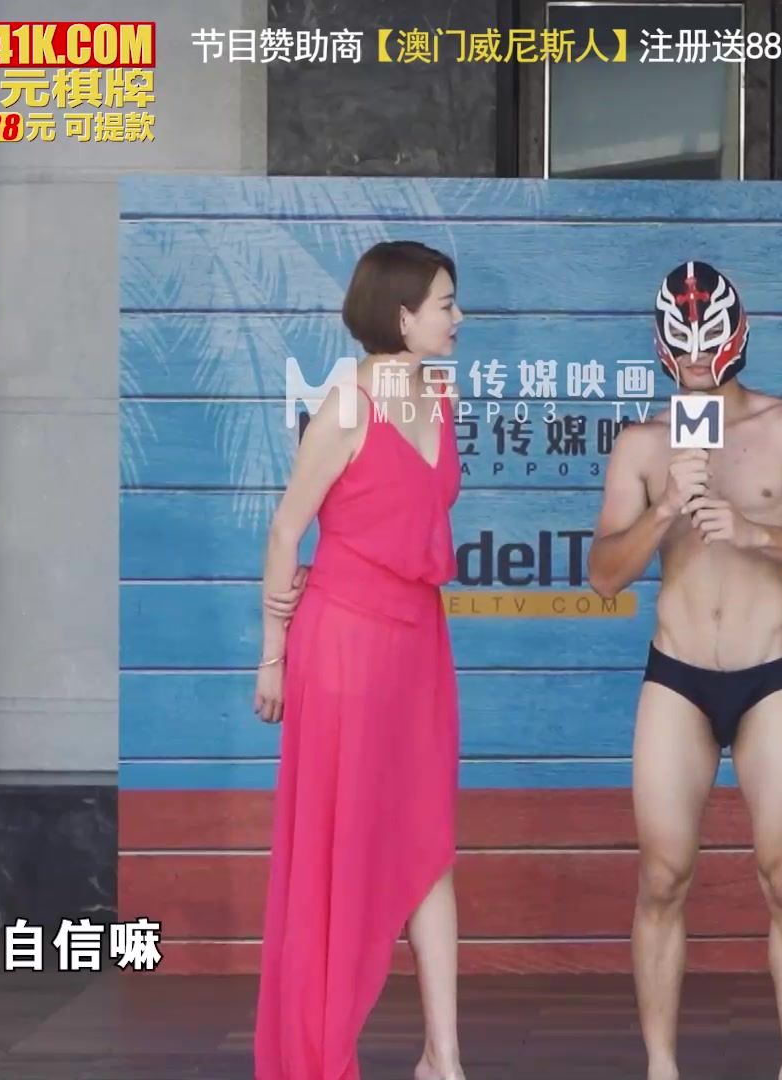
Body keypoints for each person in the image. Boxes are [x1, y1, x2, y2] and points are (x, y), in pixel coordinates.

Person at [586, 260, 782, 1080]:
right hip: (677, 674)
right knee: (663, 874)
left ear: (737, 339)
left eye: (708, 345)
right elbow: (604, 575)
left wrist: (757, 534)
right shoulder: (643, 444)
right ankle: (661, 1066)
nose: (696, 362)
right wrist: (666, 509)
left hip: (767, 672)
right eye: (683, 348)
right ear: (661, 347)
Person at [251, 240, 469, 1080]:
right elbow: (286, 530)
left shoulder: (440, 396)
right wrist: (273, 656)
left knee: (428, 840)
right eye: (445, 303)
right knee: (345, 842)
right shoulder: (346, 407)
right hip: (343, 640)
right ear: (403, 316)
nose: (457, 318)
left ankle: (443, 1057)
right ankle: (320, 1045)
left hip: (419, 641)